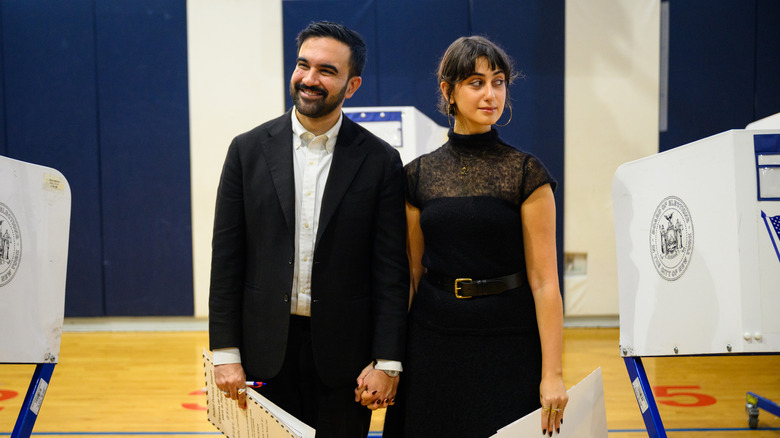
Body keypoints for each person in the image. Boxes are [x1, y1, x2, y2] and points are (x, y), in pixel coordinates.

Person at [208, 21, 409, 438]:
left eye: (327, 71)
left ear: (352, 85)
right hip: (263, 352)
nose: (310, 79)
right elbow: (227, 260)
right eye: (304, 65)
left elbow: (391, 270)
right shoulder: (246, 151)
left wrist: (388, 361)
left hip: (345, 359)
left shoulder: (380, 161)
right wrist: (225, 353)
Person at [384, 35, 568, 437]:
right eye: (476, 82)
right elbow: (411, 279)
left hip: (509, 340)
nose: (491, 94)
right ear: (448, 91)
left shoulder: (527, 173)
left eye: (498, 82)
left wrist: (552, 374)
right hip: (433, 341)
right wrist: (390, 360)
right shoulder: (416, 176)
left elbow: (545, 282)